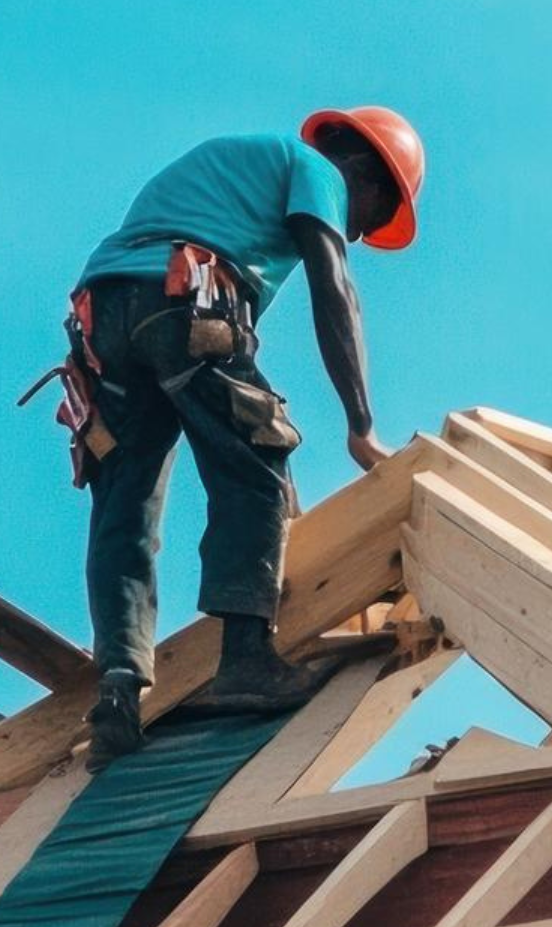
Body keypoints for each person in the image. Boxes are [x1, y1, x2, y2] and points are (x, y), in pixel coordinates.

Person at [63, 106, 425, 770]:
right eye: (368, 220)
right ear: (365, 175)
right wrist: (360, 426)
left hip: (104, 317)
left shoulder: (235, 175)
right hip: (181, 294)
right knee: (257, 456)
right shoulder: (318, 170)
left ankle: (118, 692)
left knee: (127, 509)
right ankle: (246, 663)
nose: (357, 232)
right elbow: (333, 286)